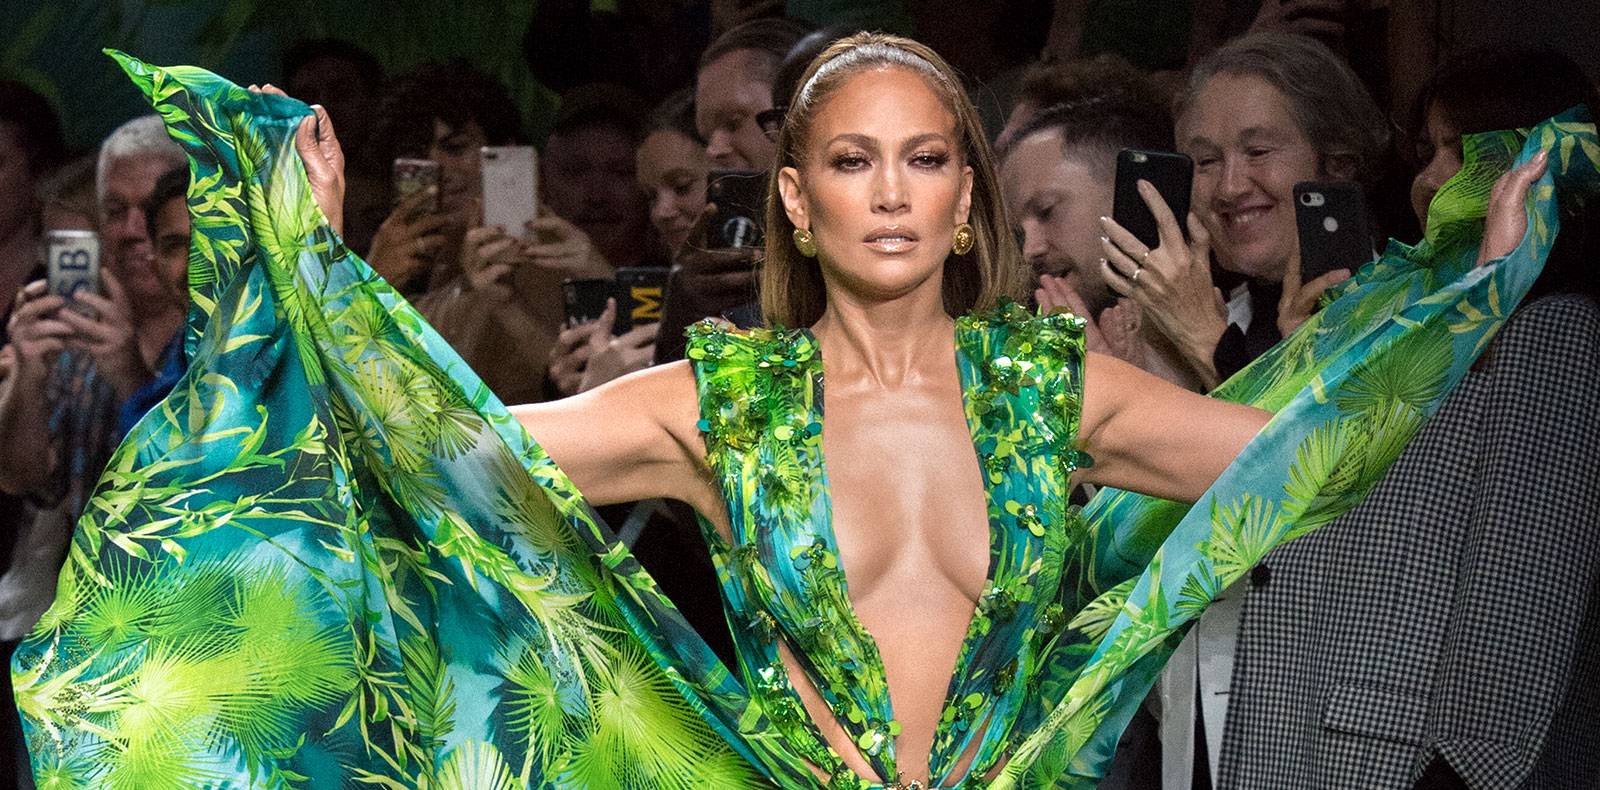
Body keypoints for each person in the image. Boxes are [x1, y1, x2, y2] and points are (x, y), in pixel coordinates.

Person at [13, 38, 1558, 790]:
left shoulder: (1050, 389)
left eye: (926, 158)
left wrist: (1476, 292)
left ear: (965, 201)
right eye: (852, 161)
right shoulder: (715, 403)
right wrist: (312, 263)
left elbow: (1303, 462)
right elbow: (433, 455)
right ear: (800, 205)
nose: (891, 191)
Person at [1196, 48, 1600, 789]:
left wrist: (1465, 769)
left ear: (1539, 164)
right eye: (1427, 152)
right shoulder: (1414, 319)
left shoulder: (1554, 330)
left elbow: (1519, 595)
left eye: (1464, 151)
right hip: (1305, 726)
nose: (1433, 177)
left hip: (1397, 756)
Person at [1101, 32, 1390, 389]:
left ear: (1337, 162)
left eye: (1258, 152)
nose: (1230, 187)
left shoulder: (1405, 312)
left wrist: (1205, 341)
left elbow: (1307, 428)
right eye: (1207, 161)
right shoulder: (1219, 317)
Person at [997, 61, 1207, 391]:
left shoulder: (1242, 327)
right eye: (1020, 232)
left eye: (1047, 211)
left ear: (1132, 193)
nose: (1030, 250)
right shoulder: (1027, 353)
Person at [654, 17, 811, 363]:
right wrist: (681, 318)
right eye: (706, 135)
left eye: (733, 123)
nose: (714, 150)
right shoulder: (710, 282)